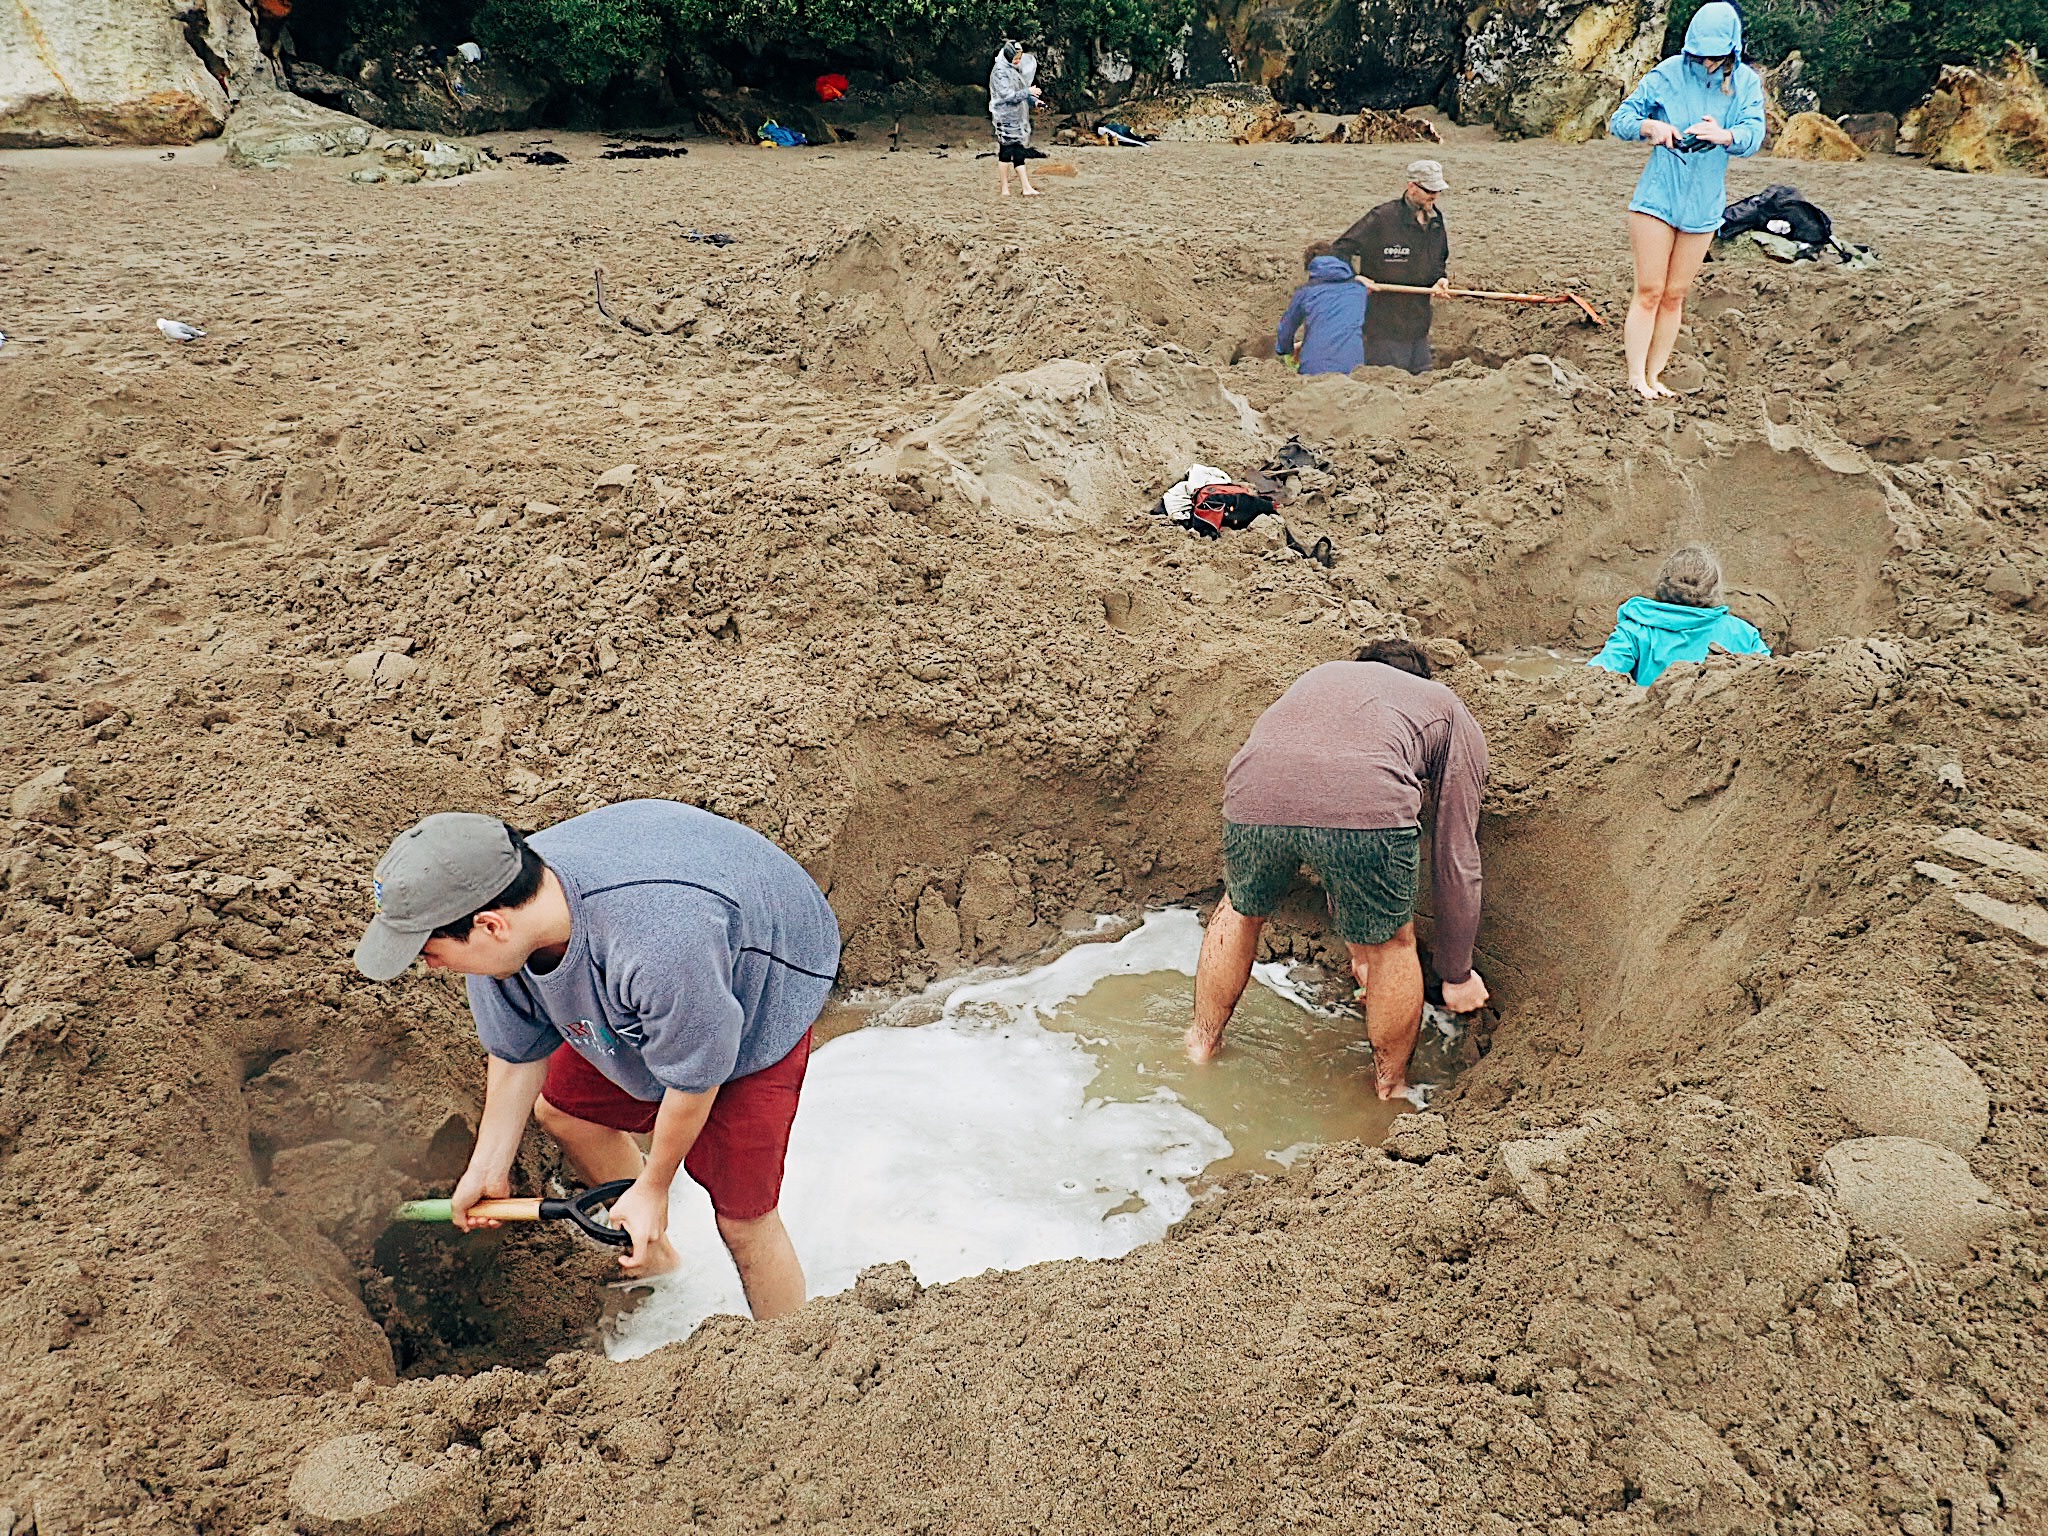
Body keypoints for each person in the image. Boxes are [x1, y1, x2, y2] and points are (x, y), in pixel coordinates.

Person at [353, 799, 840, 1319]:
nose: (429, 968)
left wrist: (653, 1187)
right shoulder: (499, 918)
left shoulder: (660, 944)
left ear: (490, 926)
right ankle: (657, 1264)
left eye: (428, 953)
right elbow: (517, 1056)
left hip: (756, 983)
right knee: (565, 1113)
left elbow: (697, 1078)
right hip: (659, 974)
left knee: (744, 1221)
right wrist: (487, 1166)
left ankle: (796, 1358)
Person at [1186, 639, 1490, 1103]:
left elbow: (1320, 787)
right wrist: (1456, 973)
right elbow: (1455, 852)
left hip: (1253, 791)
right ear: (1422, 680)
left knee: (1241, 909)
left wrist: (1356, 948)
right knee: (1394, 945)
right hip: (1365, 805)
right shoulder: (1443, 704)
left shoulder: (1321, 678)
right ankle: (1389, 1089)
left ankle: (1200, 1045)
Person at [1608, 1, 1766, 399]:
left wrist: (1724, 135)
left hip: (1704, 206)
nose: (1709, 64)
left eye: (1717, 56)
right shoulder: (1668, 73)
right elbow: (1620, 120)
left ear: (1732, 48)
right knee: (1649, 289)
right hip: (1657, 199)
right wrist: (1652, 126)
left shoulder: (1746, 82)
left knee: (1675, 294)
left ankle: (1655, 376)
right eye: (1701, 55)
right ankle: (1635, 378)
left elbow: (1753, 133)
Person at [1587, 544, 1770, 686]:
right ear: (1714, 588)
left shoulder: (1636, 629)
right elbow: (1771, 682)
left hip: (1650, 730)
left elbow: (1595, 678)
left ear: (1663, 582)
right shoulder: (1743, 634)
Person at [1333, 160, 1453, 374]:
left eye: (1438, 190)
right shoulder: (1382, 218)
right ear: (1412, 187)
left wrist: (1439, 278)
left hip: (1419, 324)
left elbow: (1438, 258)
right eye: (1429, 190)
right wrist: (1353, 278)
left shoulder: (1436, 220)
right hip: (1384, 325)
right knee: (1390, 381)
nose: (1434, 196)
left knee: (1423, 379)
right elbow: (1338, 251)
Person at [1276, 242, 1369, 376]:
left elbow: (1286, 329)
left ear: (1311, 267)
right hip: (1353, 368)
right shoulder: (1358, 289)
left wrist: (1285, 350)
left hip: (1314, 368)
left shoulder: (1306, 292)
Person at [989, 40, 1042, 197]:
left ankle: (1025, 187)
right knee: (1006, 150)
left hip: (1018, 117)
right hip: (1004, 117)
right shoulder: (999, 72)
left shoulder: (1015, 69)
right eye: (1015, 58)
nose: (1018, 61)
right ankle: (1005, 188)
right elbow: (1009, 96)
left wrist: (1035, 101)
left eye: (1019, 58)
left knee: (1018, 150)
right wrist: (1028, 91)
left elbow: (1022, 91)